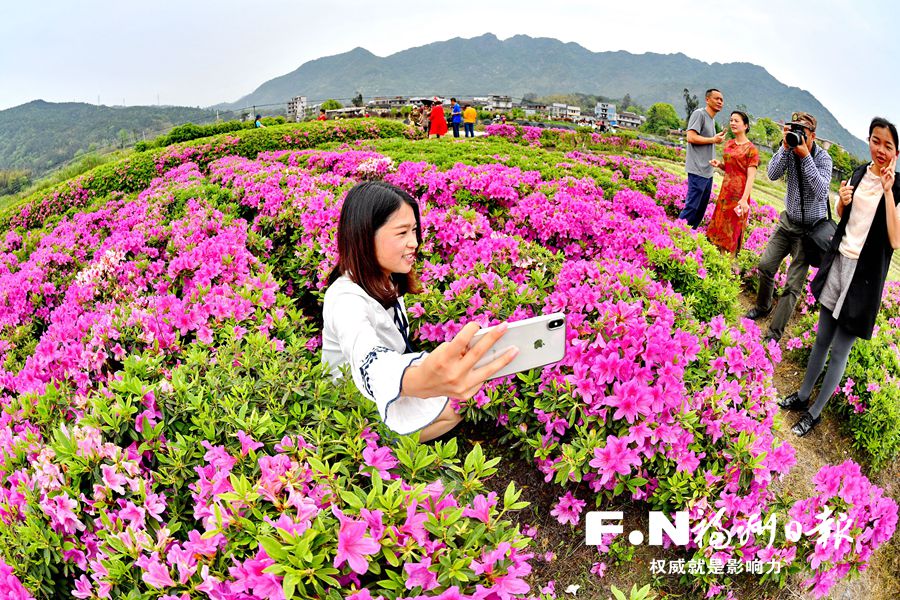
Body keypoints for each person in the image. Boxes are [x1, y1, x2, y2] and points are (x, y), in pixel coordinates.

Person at [322, 182, 518, 441]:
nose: (414, 242)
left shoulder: (385, 278)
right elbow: (369, 358)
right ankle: (383, 445)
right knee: (456, 409)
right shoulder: (345, 298)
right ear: (365, 235)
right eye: (402, 232)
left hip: (394, 381)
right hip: (354, 404)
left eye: (414, 230)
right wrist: (421, 379)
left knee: (464, 398)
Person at [778, 117, 900, 437]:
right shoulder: (859, 172)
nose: (880, 149)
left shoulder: (898, 187)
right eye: (875, 141)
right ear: (869, 141)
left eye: (888, 145)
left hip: (864, 277)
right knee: (821, 340)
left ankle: (815, 413)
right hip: (839, 262)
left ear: (897, 152)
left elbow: (895, 238)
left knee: (840, 351)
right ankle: (802, 396)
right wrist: (843, 203)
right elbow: (846, 219)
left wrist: (888, 193)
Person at [745, 112, 834, 342]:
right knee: (765, 265)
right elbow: (772, 174)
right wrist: (785, 148)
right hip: (787, 223)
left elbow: (821, 191)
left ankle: (774, 334)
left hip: (808, 232)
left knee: (792, 286)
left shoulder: (823, 158)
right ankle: (763, 306)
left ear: (812, 135)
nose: (798, 136)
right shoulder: (789, 149)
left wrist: (805, 157)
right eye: (795, 131)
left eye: (802, 132)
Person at [706, 111, 760, 254]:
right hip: (726, 191)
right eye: (731, 120)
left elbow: (751, 177)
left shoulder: (751, 149)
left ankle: (727, 261)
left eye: (736, 121)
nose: (733, 123)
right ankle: (714, 256)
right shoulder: (729, 144)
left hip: (739, 195)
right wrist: (720, 164)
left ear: (746, 125)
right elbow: (731, 167)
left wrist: (743, 200)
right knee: (720, 222)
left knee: (732, 227)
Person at [679, 89, 727, 228]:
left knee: (700, 210)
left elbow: (706, 139)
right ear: (707, 99)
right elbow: (691, 137)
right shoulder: (699, 114)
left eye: (722, 100)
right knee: (692, 207)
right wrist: (713, 139)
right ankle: (675, 233)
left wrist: (715, 138)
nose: (720, 102)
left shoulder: (711, 120)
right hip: (697, 170)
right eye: (716, 98)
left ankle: (689, 237)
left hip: (707, 172)